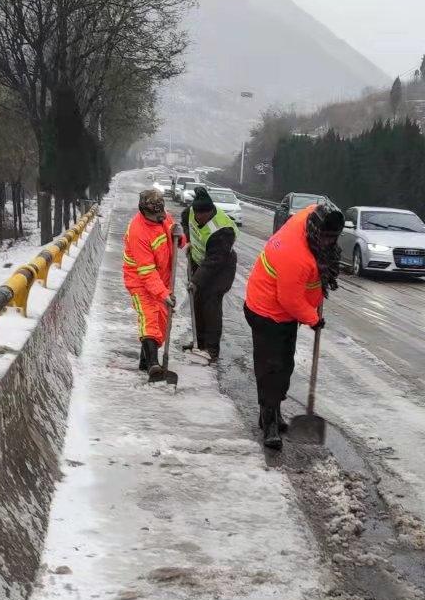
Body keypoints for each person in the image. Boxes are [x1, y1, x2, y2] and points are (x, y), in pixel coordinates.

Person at [243, 200, 343, 449]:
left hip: (286, 314)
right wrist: (313, 319)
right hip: (266, 310)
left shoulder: (313, 216)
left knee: (285, 365)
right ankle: (269, 424)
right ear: (314, 231)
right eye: (326, 238)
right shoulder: (295, 255)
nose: (329, 243)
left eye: (334, 239)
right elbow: (289, 298)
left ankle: (274, 413)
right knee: (270, 368)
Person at [121, 188, 178, 372]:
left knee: (161, 320)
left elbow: (174, 238)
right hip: (139, 281)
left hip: (161, 279)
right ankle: (154, 365)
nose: (162, 217)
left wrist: (180, 236)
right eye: (157, 215)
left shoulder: (163, 216)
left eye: (163, 212)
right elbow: (146, 272)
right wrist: (163, 293)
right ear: (144, 212)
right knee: (149, 318)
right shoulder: (138, 232)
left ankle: (145, 361)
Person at [181, 186, 239, 361]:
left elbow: (214, 261)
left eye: (202, 216)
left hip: (221, 269)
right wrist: (188, 239)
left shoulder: (223, 229)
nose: (198, 218)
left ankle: (212, 349)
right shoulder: (191, 212)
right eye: (196, 214)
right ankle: (199, 343)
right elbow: (185, 219)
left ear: (210, 212)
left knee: (210, 304)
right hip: (199, 261)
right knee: (196, 302)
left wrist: (196, 281)